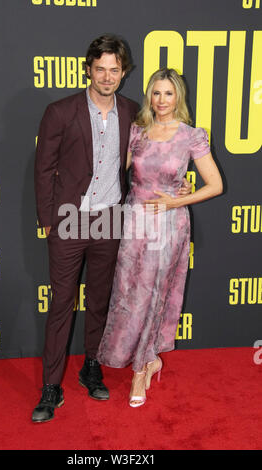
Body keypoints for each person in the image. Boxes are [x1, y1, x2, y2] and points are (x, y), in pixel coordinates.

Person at [33, 35, 191, 423]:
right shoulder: (60, 111)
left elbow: (153, 160)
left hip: (111, 219)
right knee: (61, 305)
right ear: (88, 70)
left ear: (124, 73)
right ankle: (50, 388)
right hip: (70, 219)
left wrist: (179, 186)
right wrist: (49, 222)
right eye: (100, 69)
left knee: (102, 301)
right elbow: (42, 169)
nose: (107, 76)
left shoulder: (134, 113)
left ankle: (91, 367)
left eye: (114, 70)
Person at [97, 68, 223, 408]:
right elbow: (114, 173)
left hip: (168, 224)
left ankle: (142, 368)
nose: (161, 100)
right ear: (149, 95)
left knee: (154, 295)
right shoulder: (137, 132)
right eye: (156, 93)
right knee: (129, 292)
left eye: (168, 94)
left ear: (178, 97)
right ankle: (146, 357)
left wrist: (177, 198)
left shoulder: (190, 136)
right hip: (134, 223)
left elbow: (216, 185)